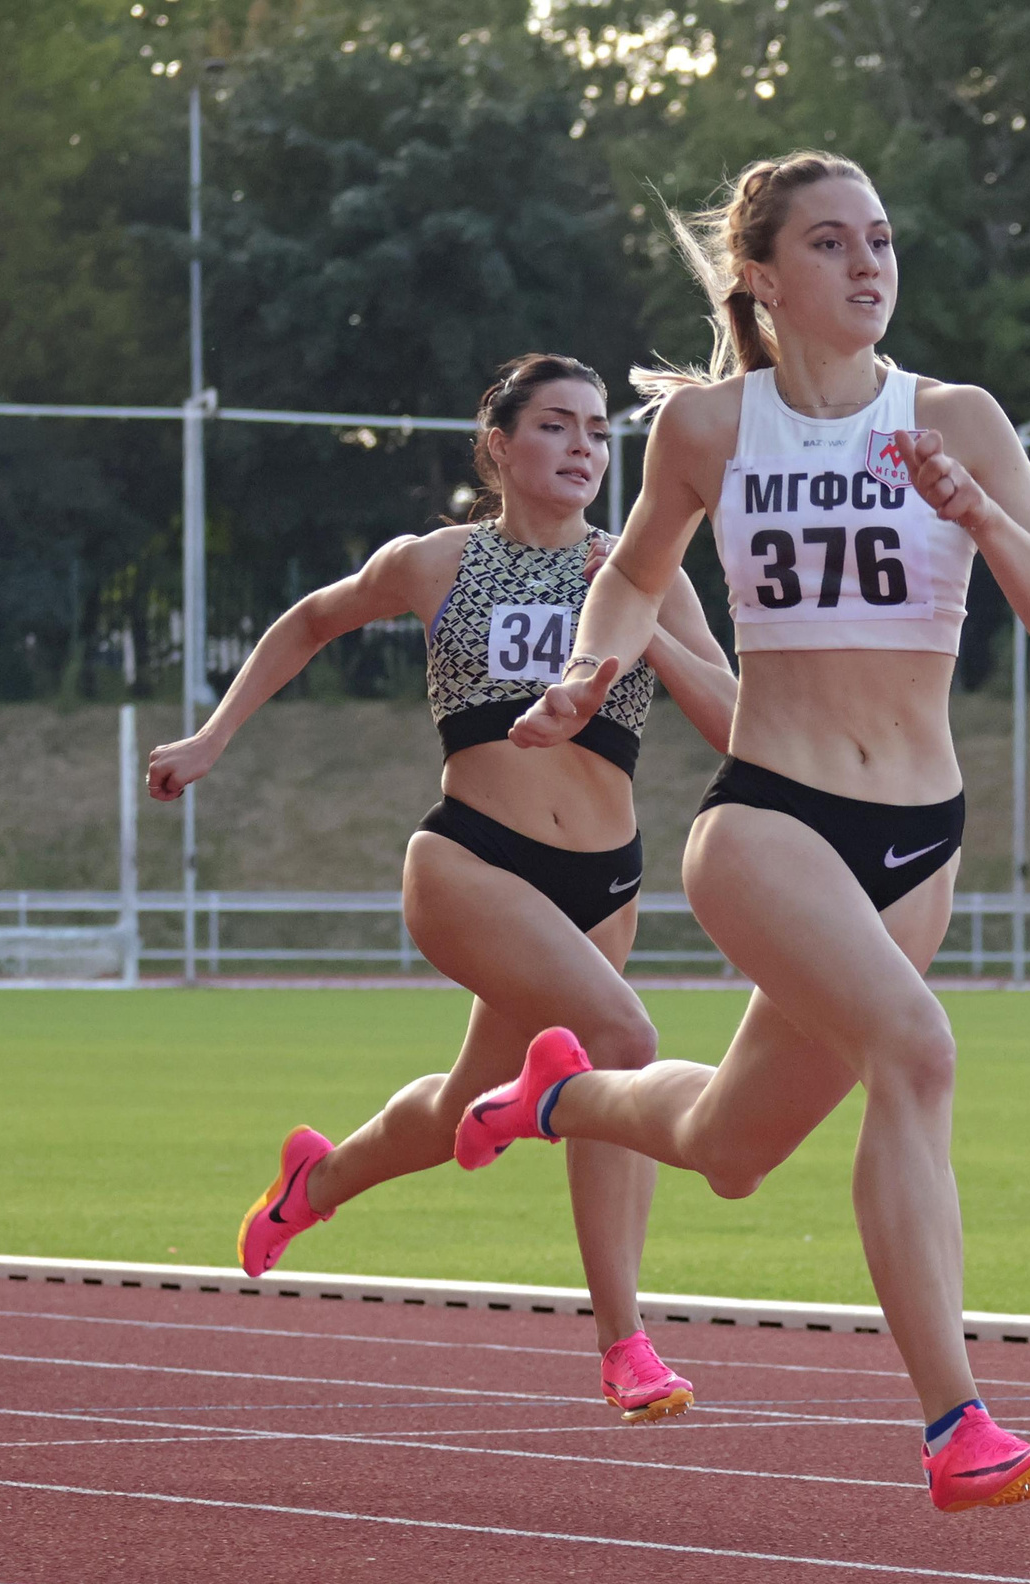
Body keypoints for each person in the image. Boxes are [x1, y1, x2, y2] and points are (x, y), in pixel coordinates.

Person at [461, 154, 1030, 1509]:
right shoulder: (708, 426)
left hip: (919, 836)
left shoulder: (961, 418)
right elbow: (632, 575)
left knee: (731, 1146)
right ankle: (955, 1425)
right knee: (915, 1047)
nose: (869, 265)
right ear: (763, 277)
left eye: (881, 240)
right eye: (831, 243)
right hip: (770, 818)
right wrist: (586, 672)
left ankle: (557, 1094)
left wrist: (978, 512)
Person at [147, 353, 740, 1422]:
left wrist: (645, 627)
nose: (584, 450)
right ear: (500, 445)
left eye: (600, 432)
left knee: (461, 1105)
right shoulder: (435, 563)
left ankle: (312, 1184)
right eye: (557, 427)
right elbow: (308, 621)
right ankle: (626, 1344)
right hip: (470, 858)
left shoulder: (642, 567)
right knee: (621, 1041)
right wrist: (211, 736)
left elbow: (732, 719)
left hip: (603, 880)